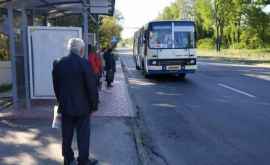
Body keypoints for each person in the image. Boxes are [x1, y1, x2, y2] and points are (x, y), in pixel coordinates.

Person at [52, 38, 98, 165]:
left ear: (69, 49)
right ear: (81, 50)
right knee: (83, 136)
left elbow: (56, 86)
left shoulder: (59, 63)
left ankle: (68, 159)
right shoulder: (85, 63)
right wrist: (94, 106)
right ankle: (83, 160)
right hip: (83, 108)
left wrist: (60, 100)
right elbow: (91, 87)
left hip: (65, 106)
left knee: (66, 135)